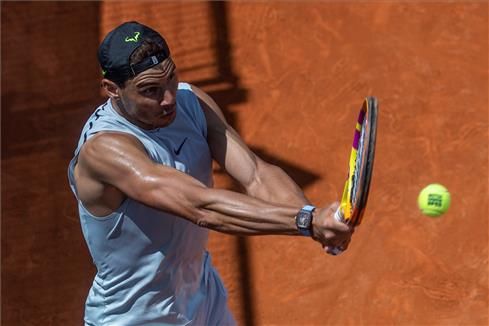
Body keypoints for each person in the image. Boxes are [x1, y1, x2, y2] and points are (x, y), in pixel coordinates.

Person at [68, 21, 353, 326]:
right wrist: (307, 222)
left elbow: (254, 173)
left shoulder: (192, 103)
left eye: (171, 78)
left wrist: (312, 218)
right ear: (112, 89)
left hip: (201, 298)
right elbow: (200, 206)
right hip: (136, 319)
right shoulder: (105, 149)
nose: (168, 99)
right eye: (150, 90)